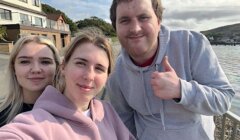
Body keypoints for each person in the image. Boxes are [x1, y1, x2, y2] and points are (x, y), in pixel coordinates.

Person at [106, 0, 235, 140]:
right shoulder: (115, 73)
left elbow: (224, 99)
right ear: (115, 27)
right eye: (125, 20)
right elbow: (124, 120)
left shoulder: (191, 44)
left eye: (143, 17)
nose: (135, 28)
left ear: (158, 21)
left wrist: (181, 90)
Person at [0, 27, 136, 140]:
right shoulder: (36, 120)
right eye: (80, 63)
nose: (36, 69)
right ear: (64, 67)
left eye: (99, 68)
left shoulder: (106, 111)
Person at [0, 35, 60, 127]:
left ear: (57, 67)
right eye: (25, 61)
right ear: (14, 68)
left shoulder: (72, 112)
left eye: (45, 62)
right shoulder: (2, 113)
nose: (36, 69)